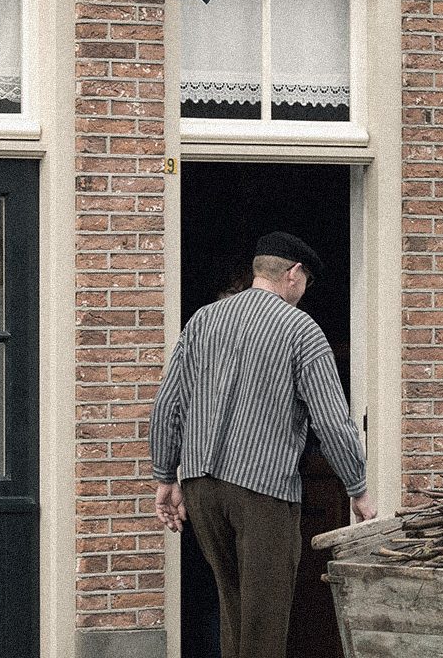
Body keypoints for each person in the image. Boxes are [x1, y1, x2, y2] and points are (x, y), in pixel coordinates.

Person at [150, 231, 377, 658]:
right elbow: (332, 420)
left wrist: (166, 477)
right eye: (305, 279)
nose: (305, 289)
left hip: (201, 486)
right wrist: (358, 489)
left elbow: (167, 405)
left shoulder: (203, 320)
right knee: (265, 620)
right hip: (262, 489)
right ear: (293, 274)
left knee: (234, 610)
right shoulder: (300, 330)